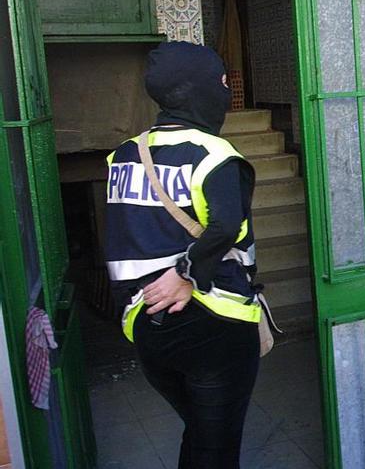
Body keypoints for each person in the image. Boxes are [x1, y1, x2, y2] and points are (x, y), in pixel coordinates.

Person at [104, 41, 260, 468]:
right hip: (215, 322)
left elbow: (128, 235)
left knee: (200, 436)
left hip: (147, 324)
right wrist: (187, 271)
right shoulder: (215, 155)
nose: (227, 91)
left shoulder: (124, 154)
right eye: (222, 82)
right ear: (196, 90)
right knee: (217, 450)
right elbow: (226, 226)